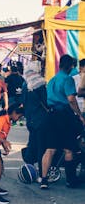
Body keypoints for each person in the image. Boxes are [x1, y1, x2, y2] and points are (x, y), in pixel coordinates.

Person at [40, 54, 85, 190]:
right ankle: (70, 181)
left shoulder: (53, 79)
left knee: (50, 149)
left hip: (51, 115)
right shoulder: (68, 79)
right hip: (64, 116)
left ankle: (43, 179)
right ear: (71, 66)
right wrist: (79, 115)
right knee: (68, 149)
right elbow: (71, 99)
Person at [0, 104, 25, 204]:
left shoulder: (8, 122)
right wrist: (4, 142)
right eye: (19, 116)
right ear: (13, 113)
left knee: (0, 167)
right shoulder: (2, 120)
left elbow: (1, 135)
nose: (19, 119)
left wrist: (4, 145)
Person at [22, 62, 48, 178]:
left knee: (32, 143)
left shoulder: (25, 84)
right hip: (40, 119)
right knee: (41, 146)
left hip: (30, 119)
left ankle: (29, 168)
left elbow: (23, 102)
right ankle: (42, 174)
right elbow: (46, 101)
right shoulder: (40, 83)